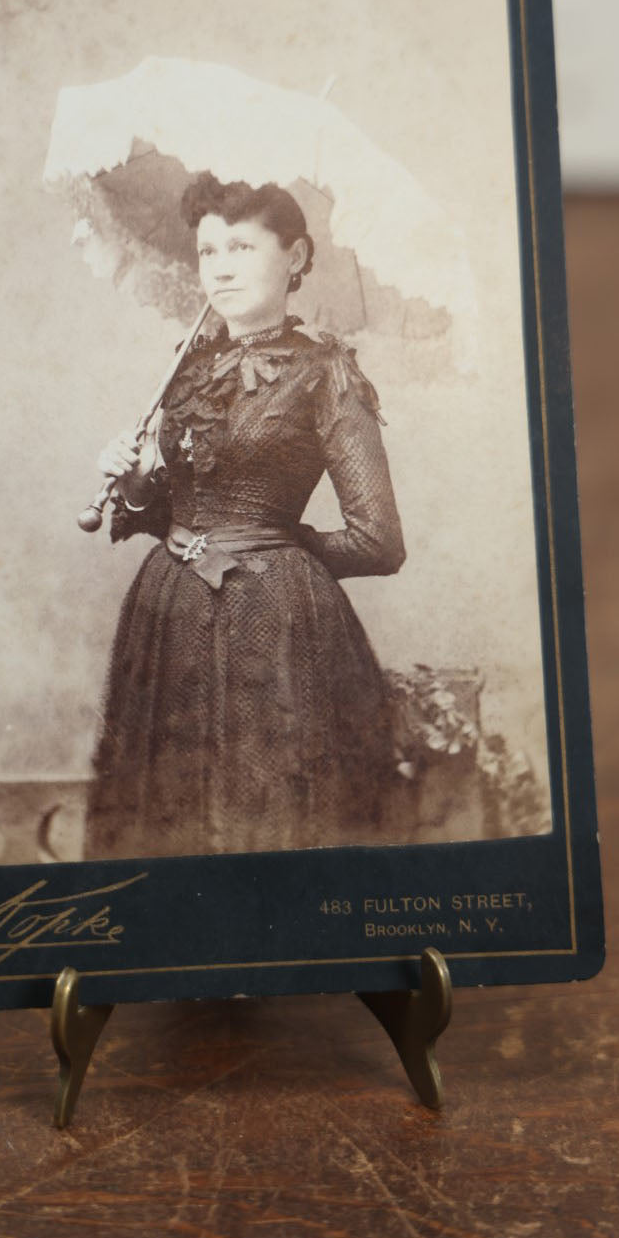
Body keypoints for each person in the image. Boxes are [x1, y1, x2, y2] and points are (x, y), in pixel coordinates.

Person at [84, 173, 405, 860]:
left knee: (264, 816)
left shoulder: (327, 373)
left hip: (275, 629)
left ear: (295, 257)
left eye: (240, 246)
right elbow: (166, 509)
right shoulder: (188, 368)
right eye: (206, 251)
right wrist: (140, 482)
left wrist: (274, 551)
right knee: (165, 819)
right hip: (166, 617)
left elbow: (379, 540)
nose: (220, 266)